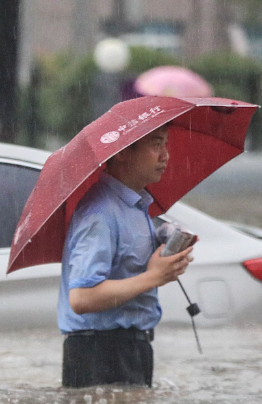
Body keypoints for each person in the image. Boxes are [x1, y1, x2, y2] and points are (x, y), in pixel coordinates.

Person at [59, 124, 193, 388]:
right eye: (156, 144)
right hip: (99, 351)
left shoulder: (136, 205)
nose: (165, 156)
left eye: (165, 144)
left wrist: (165, 246)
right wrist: (154, 277)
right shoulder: (100, 213)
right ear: (122, 152)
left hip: (131, 346)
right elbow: (81, 297)